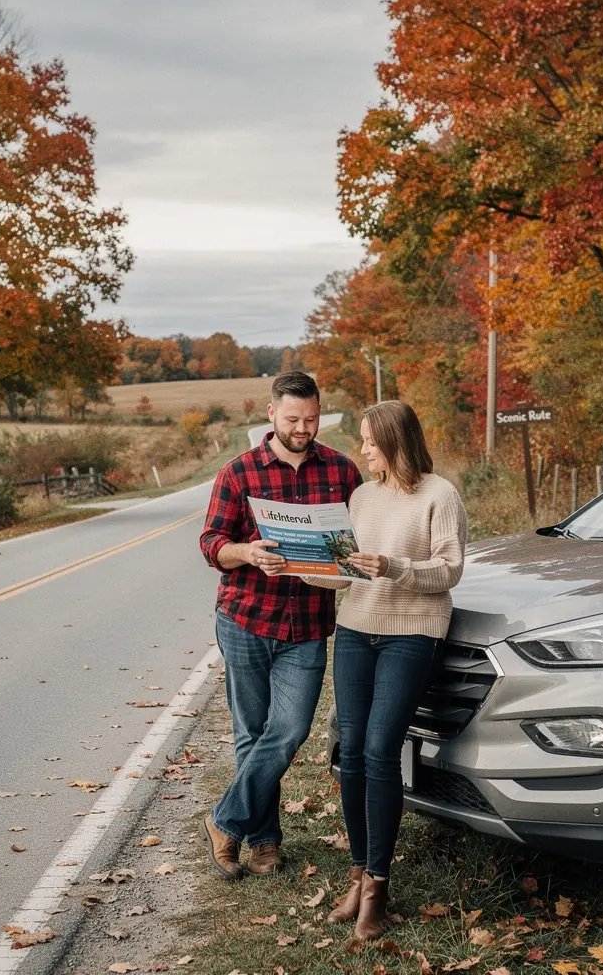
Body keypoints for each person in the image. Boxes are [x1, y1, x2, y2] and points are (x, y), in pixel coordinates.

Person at [305, 400, 466, 940]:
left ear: (395, 442)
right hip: (355, 628)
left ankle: (377, 885)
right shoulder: (360, 497)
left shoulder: (440, 495)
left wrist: (394, 566)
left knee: (379, 749)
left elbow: (449, 570)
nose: (364, 449)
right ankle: (356, 874)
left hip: (413, 632)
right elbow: (345, 576)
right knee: (350, 748)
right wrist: (306, 569)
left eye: (371, 441)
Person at [198, 372, 363, 880]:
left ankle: (225, 822)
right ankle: (264, 842)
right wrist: (247, 552)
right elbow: (211, 545)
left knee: (288, 730)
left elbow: (360, 541)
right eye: (293, 419)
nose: (302, 428)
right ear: (271, 414)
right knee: (251, 732)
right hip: (246, 618)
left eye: (311, 419)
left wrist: (344, 563)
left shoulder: (341, 471)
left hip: (309, 625)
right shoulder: (239, 473)